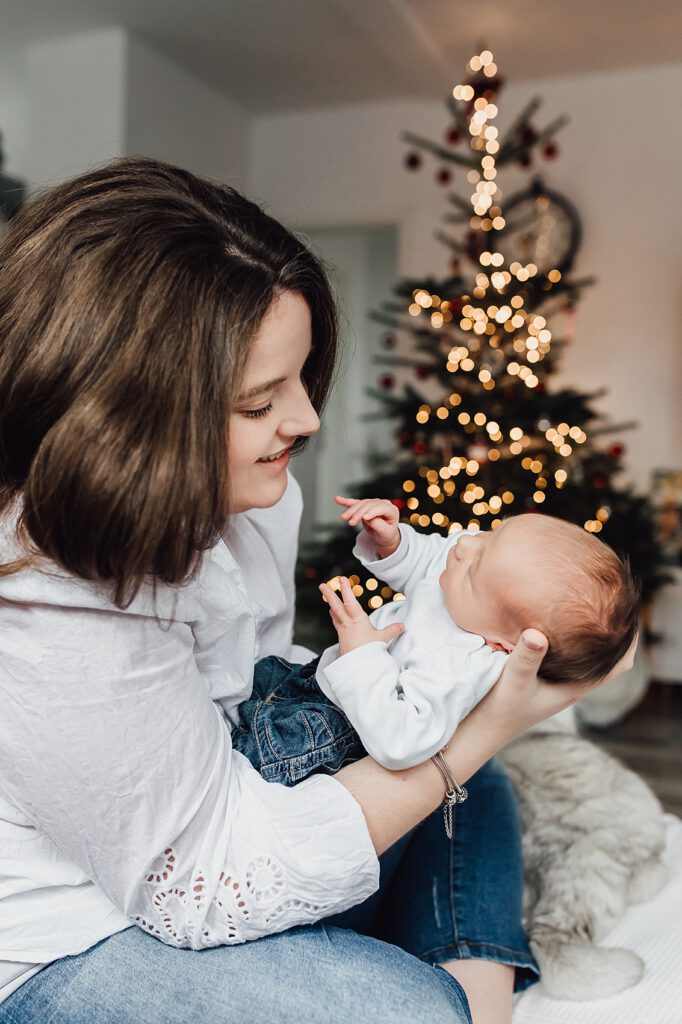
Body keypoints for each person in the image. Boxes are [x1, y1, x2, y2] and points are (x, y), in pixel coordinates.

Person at [0, 157, 635, 1024]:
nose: (305, 420)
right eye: (260, 402)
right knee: (404, 1004)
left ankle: (480, 1000)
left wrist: (427, 719)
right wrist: (489, 722)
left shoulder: (254, 493)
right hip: (84, 927)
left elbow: (259, 691)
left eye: (301, 379)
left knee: (470, 784)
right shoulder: (44, 605)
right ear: (130, 421)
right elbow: (198, 888)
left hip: (220, 813)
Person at [234, 496, 639, 780]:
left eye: (475, 567)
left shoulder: (464, 664)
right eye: (488, 535)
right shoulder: (469, 587)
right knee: (243, 686)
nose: (463, 546)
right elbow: (430, 560)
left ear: (504, 646)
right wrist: (393, 541)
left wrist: (361, 653)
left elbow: (401, 741)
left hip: (330, 729)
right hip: (311, 680)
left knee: (243, 760)